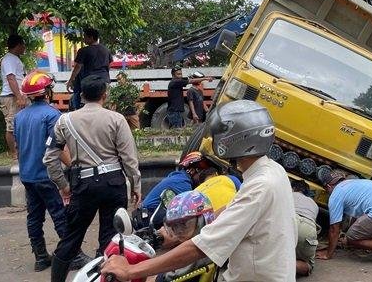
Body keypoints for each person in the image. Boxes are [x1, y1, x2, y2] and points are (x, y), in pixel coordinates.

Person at [101, 100, 297, 281]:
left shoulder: (260, 186)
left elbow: (200, 248)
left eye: (220, 135)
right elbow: (231, 210)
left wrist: (131, 270)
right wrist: (180, 227)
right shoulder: (271, 172)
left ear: (237, 139)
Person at [44, 75, 142, 282]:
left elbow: (50, 159)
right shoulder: (116, 119)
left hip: (83, 184)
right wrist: (136, 185)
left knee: (71, 237)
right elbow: (129, 158)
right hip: (113, 183)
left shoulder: (65, 121)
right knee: (110, 238)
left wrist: (63, 185)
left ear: (81, 95)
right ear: (104, 95)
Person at [14, 71, 91, 272]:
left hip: (28, 176)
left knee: (34, 216)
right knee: (60, 214)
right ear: (46, 91)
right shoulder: (52, 114)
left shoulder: (19, 116)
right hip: (46, 175)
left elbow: (17, 146)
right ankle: (72, 255)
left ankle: (40, 257)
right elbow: (58, 148)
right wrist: (75, 164)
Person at [66, 28, 113, 111]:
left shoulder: (84, 51)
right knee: (105, 107)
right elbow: (109, 65)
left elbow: (77, 67)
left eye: (85, 37)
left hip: (90, 83)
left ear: (91, 37)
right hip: (104, 81)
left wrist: (71, 80)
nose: (83, 39)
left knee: (89, 107)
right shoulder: (106, 50)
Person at [0, 34, 27, 160]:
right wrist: (19, 97)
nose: (25, 47)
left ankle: (20, 151)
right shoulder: (9, 59)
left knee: (19, 124)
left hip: (16, 96)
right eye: (23, 44)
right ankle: (14, 154)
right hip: (11, 97)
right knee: (11, 126)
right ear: (19, 45)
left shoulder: (15, 58)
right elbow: (11, 78)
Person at [291, 179, 319, 277]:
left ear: (292, 188)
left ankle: (274, 263)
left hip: (289, 221)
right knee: (308, 264)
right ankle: (289, 265)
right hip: (308, 227)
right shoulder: (314, 204)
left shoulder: (287, 195)